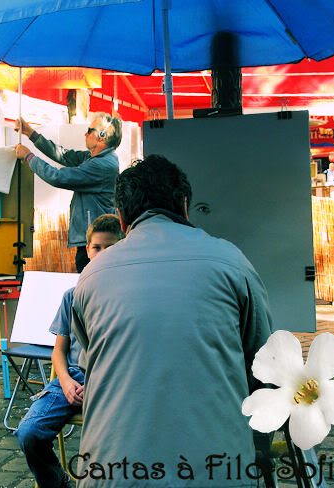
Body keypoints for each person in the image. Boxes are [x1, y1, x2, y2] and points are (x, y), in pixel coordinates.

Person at [71, 155, 273, 487]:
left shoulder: (91, 275)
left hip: (112, 474)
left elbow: (91, 363)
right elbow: (265, 366)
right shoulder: (231, 261)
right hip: (217, 472)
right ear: (184, 205)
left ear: (121, 219)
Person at [15, 214, 125, 488]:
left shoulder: (127, 296)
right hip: (73, 377)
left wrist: (98, 386)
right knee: (29, 433)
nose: (102, 254)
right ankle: (57, 483)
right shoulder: (71, 295)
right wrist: (65, 381)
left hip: (113, 381)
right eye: (97, 247)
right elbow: (58, 351)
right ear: (87, 250)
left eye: (110, 248)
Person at [15, 113, 122, 272]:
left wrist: (29, 157)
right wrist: (31, 133)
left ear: (102, 136)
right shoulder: (98, 159)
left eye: (89, 130)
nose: (85, 134)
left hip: (97, 243)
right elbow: (63, 155)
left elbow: (58, 177)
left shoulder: (101, 165)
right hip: (96, 240)